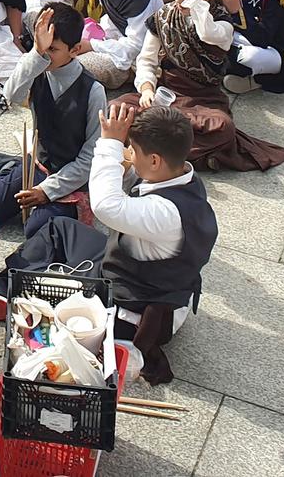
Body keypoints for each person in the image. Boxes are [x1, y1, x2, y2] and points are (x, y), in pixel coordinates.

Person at [90, 101, 220, 386]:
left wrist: (110, 144)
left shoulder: (165, 212)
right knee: (61, 231)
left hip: (137, 305)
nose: (129, 155)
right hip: (155, 284)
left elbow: (104, 206)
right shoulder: (183, 175)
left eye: (133, 150)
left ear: (154, 161)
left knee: (53, 259)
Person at [131, 0, 284, 171]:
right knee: (117, 108)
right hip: (166, 94)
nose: (178, 0)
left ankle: (154, 150)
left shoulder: (222, 24)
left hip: (202, 101)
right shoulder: (164, 16)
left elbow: (206, 32)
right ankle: (183, 154)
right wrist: (147, 89)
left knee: (222, 128)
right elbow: (146, 60)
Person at [0, 3, 105, 245]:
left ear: (75, 50)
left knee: (36, 231)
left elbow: (90, 159)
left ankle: (10, 166)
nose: (46, 54)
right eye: (42, 46)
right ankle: (14, 166)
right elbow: (10, 95)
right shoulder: (38, 65)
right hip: (37, 165)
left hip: (69, 178)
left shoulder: (93, 91)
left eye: (53, 49)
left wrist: (47, 191)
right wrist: (36, 54)